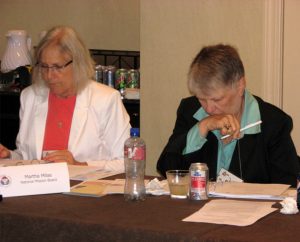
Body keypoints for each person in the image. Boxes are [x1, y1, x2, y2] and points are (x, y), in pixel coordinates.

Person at [157, 44, 300, 187]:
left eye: (217, 99)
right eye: (201, 98)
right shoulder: (190, 110)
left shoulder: (274, 123)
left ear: (240, 86)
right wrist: (203, 126)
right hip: (199, 207)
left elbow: (286, 188)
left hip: (249, 209)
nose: (209, 109)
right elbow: (166, 168)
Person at [0, 26, 130, 172]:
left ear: (77, 63)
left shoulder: (105, 99)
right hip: (38, 191)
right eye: (44, 66)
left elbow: (127, 162)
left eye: (57, 67)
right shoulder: (30, 97)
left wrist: (79, 165)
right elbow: (27, 156)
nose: (49, 75)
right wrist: (9, 157)